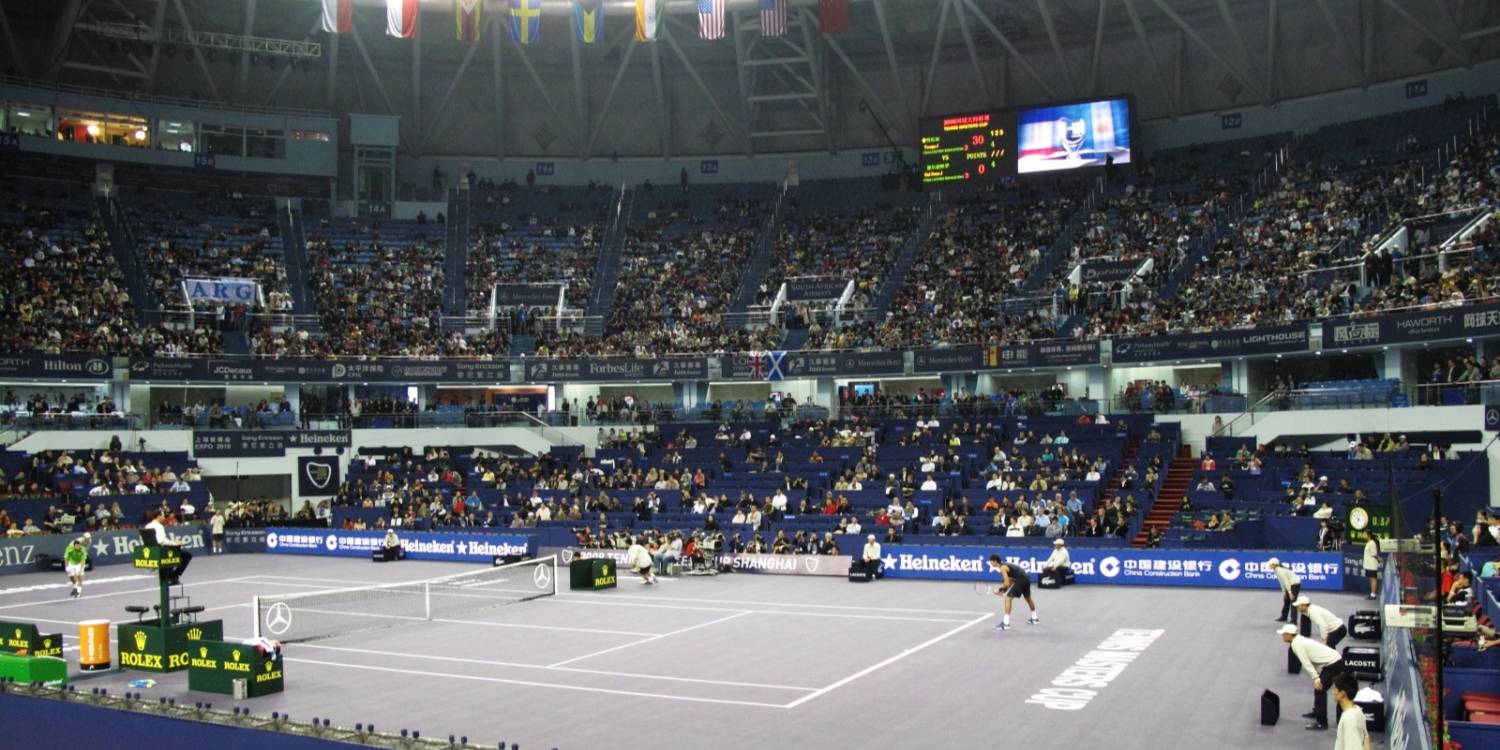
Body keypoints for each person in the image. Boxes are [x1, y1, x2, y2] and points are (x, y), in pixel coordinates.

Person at [1281, 623, 1346, 731]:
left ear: (1289, 635)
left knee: (1319, 689)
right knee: (1320, 688)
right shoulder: (1298, 639)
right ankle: (1318, 712)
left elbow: (1306, 663)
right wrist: (1318, 676)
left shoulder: (1297, 645)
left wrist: (1316, 679)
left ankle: (1321, 722)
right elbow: (1313, 660)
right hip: (1332, 661)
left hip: (1333, 663)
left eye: (1284, 634)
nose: (1282, 636)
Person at [986, 554, 1038, 631]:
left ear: (995, 561)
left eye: (991, 562)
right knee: (1028, 598)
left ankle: (1006, 623)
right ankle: (1035, 618)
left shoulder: (1002, 568)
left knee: (1008, 599)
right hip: (1027, 579)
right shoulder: (1006, 566)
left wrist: (1000, 590)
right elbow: (1010, 581)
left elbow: (1006, 584)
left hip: (1021, 580)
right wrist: (1003, 591)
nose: (990, 563)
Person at [144, 510, 191, 585]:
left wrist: (173, 542)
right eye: (163, 516)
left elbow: (157, 539)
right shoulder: (159, 526)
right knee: (187, 556)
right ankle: (173, 576)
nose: (164, 517)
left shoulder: (147, 526)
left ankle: (170, 576)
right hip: (162, 552)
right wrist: (175, 544)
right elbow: (160, 541)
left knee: (174, 552)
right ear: (158, 516)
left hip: (151, 552)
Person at [1331, 673, 1371, 750]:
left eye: (1334, 688)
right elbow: (1366, 739)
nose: (1332, 692)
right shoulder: (1357, 709)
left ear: (1342, 693)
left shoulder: (1348, 719)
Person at [1270, 557, 1302, 622]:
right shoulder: (1277, 570)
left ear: (1274, 564)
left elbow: (1286, 581)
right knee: (1286, 600)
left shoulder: (1279, 570)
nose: (1269, 565)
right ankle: (1284, 616)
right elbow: (1281, 582)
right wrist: (1284, 592)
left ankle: (1294, 620)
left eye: (1270, 564)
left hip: (1295, 584)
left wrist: (1290, 593)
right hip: (1290, 585)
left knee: (1293, 602)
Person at [64, 534, 90, 598]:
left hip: (79, 561)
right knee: (71, 576)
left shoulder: (87, 543)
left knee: (79, 576)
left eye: (89, 538)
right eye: (87, 538)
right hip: (72, 560)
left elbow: (83, 559)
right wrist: (66, 566)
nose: (88, 539)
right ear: (83, 537)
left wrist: (81, 568)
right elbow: (66, 557)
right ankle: (75, 586)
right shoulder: (71, 546)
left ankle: (78, 592)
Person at [1361, 531, 1381, 599]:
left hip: (1372, 565)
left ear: (1369, 535)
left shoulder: (1372, 543)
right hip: (1368, 565)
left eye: (1364, 534)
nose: (1363, 535)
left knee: (1373, 579)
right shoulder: (1369, 543)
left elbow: (1374, 554)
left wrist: (1379, 560)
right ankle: (1372, 593)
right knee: (1371, 579)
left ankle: (1373, 595)